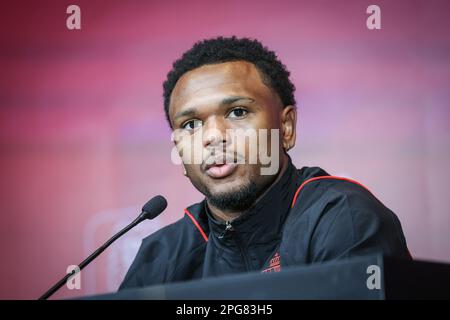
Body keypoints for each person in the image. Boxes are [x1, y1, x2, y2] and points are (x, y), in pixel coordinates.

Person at [119, 36, 410, 290]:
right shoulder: (160, 255)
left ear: (286, 128)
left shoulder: (342, 218)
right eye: (191, 124)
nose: (213, 136)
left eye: (237, 112)